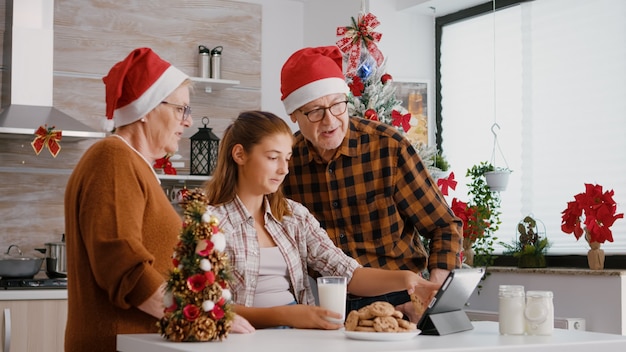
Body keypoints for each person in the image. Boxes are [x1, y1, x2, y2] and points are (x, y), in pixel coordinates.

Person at [64, 47, 253, 352]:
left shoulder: (133, 164)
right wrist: (198, 316)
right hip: (116, 344)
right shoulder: (113, 158)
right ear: (148, 109)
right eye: (182, 109)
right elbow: (123, 264)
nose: (188, 122)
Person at [203, 110, 440, 329]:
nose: (284, 169)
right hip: (249, 338)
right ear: (239, 154)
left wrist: (408, 280)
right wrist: (286, 315)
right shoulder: (210, 223)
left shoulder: (294, 217)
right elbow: (202, 303)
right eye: (273, 158)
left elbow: (349, 274)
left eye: (287, 159)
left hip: (299, 334)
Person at [279, 46, 463, 320]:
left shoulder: (388, 148)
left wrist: (430, 296)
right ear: (294, 114)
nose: (330, 120)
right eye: (315, 111)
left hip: (402, 300)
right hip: (328, 304)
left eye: (337, 105)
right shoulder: (285, 163)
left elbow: (444, 227)